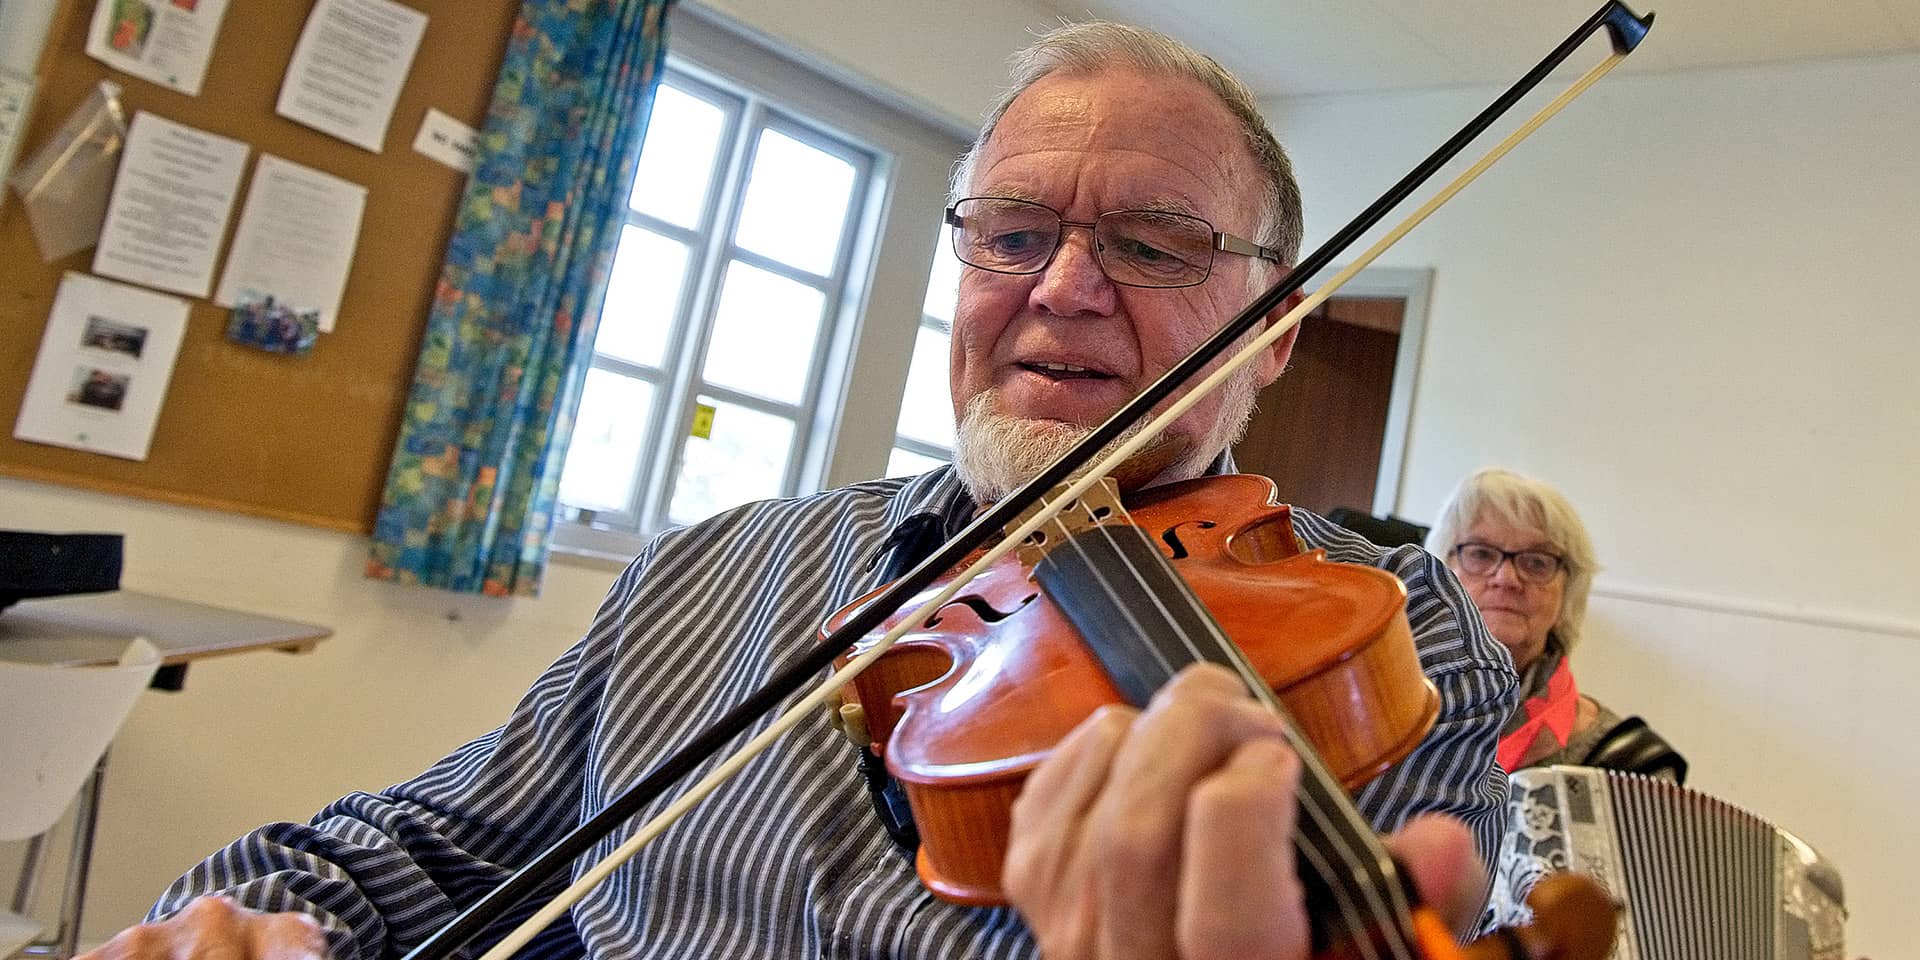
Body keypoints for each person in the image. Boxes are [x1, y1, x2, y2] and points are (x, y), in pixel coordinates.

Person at [83, 23, 1518, 960]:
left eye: (1153, 245)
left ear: (1275, 330)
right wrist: (249, 923)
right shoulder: (707, 573)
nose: (1065, 288)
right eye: (1013, 232)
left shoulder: (1389, 629)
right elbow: (419, 852)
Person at [1427, 467, 1686, 781]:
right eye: (1480, 554)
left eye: (1536, 562)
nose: (1506, 578)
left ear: (1568, 594)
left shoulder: (1629, 768)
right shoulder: (1384, 715)